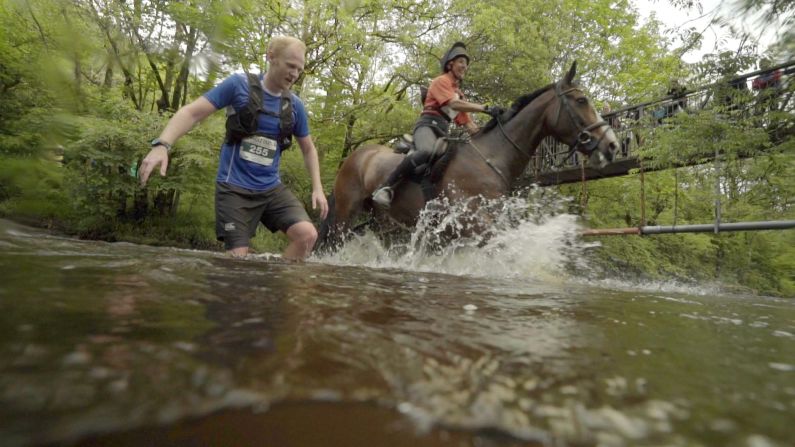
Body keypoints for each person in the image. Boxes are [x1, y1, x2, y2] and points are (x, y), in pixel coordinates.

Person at [138, 36, 328, 261]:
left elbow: (308, 149)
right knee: (237, 260)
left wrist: (317, 187)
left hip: (270, 188)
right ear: (271, 57)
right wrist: (162, 145)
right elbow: (192, 113)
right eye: (290, 66)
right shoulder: (239, 86)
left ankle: (277, 289)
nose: (295, 74)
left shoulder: (294, 106)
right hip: (234, 188)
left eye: (299, 69)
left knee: (306, 235)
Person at [371, 42, 503, 207]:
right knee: (426, 151)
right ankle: (386, 188)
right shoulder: (440, 81)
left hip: (442, 133)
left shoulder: (459, 95)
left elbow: (470, 126)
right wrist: (486, 108)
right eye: (461, 61)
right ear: (450, 64)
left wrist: (496, 126)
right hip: (427, 126)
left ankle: (431, 199)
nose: (465, 66)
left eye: (466, 63)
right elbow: (454, 104)